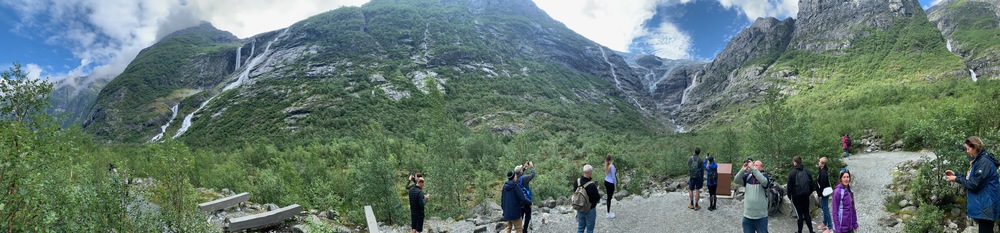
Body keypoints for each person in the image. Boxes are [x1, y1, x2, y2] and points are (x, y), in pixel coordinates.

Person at [945, 136, 1000, 233]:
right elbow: (971, 178)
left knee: (985, 230)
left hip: (987, 204)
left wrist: (956, 179)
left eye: (968, 149)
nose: (967, 151)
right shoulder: (979, 160)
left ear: (975, 148)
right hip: (984, 203)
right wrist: (956, 175)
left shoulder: (984, 162)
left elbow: (974, 184)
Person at [736, 159, 769, 233]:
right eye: (753, 165)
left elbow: (764, 182)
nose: (754, 166)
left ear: (761, 167)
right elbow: (736, 180)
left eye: (756, 165)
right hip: (747, 216)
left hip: (761, 217)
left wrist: (753, 169)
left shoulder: (765, 176)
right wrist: (742, 170)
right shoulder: (748, 177)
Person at [787, 156, 816, 233]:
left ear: (795, 162)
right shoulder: (807, 171)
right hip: (806, 196)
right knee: (806, 213)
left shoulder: (792, 173)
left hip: (796, 197)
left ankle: (799, 231)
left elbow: (789, 187)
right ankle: (811, 231)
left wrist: (790, 197)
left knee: (799, 215)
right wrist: (808, 193)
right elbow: (812, 185)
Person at [573, 164, 600, 233]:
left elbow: (575, 193)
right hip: (590, 210)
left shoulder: (576, 181)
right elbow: (597, 199)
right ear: (590, 172)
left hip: (579, 208)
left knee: (580, 228)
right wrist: (596, 190)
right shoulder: (591, 185)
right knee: (590, 230)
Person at [831, 169, 857, 233]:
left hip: (850, 227)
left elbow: (852, 209)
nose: (846, 179)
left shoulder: (850, 190)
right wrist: (838, 229)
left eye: (847, 177)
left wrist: (855, 224)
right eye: (844, 177)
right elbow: (835, 212)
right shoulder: (837, 192)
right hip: (841, 228)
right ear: (841, 179)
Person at [516, 162, 536, 232]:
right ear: (520, 171)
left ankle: (519, 229)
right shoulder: (524, 178)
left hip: (519, 201)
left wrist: (524, 167)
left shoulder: (515, 179)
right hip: (526, 200)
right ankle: (525, 230)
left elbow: (519, 174)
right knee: (527, 216)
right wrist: (531, 167)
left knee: (520, 216)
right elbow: (532, 175)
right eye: (521, 169)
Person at [816, 157, 833, 233]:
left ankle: (830, 227)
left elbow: (822, 185)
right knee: (823, 207)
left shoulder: (823, 172)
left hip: (824, 193)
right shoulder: (822, 170)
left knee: (825, 209)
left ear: (823, 163)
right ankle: (824, 222)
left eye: (819, 161)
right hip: (823, 193)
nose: (818, 163)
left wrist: (819, 194)